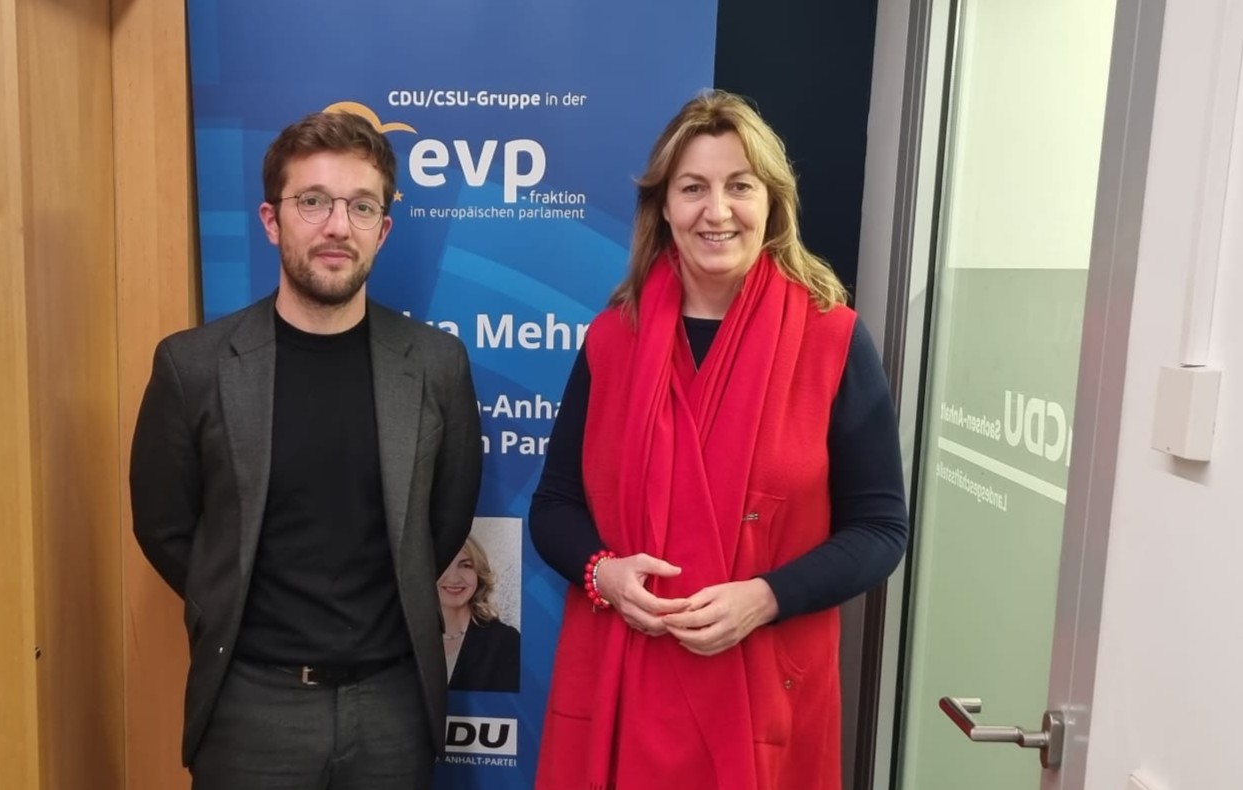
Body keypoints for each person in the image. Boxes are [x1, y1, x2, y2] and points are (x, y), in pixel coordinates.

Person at [529, 90, 909, 789]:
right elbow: (554, 505)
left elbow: (881, 528)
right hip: (624, 686)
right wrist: (603, 575)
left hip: (765, 693)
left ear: (772, 202)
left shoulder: (832, 339)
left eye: (739, 186)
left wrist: (766, 596)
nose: (717, 210)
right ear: (663, 208)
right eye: (693, 188)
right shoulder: (612, 339)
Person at [129, 109, 483, 790]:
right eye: (313, 202)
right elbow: (164, 525)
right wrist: (231, 603)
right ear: (272, 221)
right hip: (250, 705)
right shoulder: (194, 366)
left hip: (392, 707)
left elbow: (444, 520)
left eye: (361, 206)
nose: (337, 226)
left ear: (382, 230)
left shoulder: (436, 365)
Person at [439, 536, 522, 693]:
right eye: (443, 564)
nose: (454, 578)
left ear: (478, 573)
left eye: (466, 565)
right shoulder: (403, 640)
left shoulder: (506, 641)